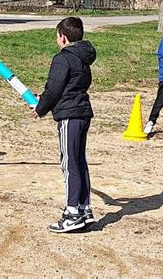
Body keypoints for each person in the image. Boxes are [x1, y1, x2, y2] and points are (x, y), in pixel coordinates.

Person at [30, 17, 96, 233]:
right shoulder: (82, 59)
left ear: (63, 37)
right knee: (79, 161)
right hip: (81, 112)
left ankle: (72, 213)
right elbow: (68, 87)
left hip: (70, 116)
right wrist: (43, 99)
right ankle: (84, 209)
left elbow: (55, 87)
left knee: (70, 163)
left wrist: (40, 108)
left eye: (57, 36)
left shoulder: (63, 58)